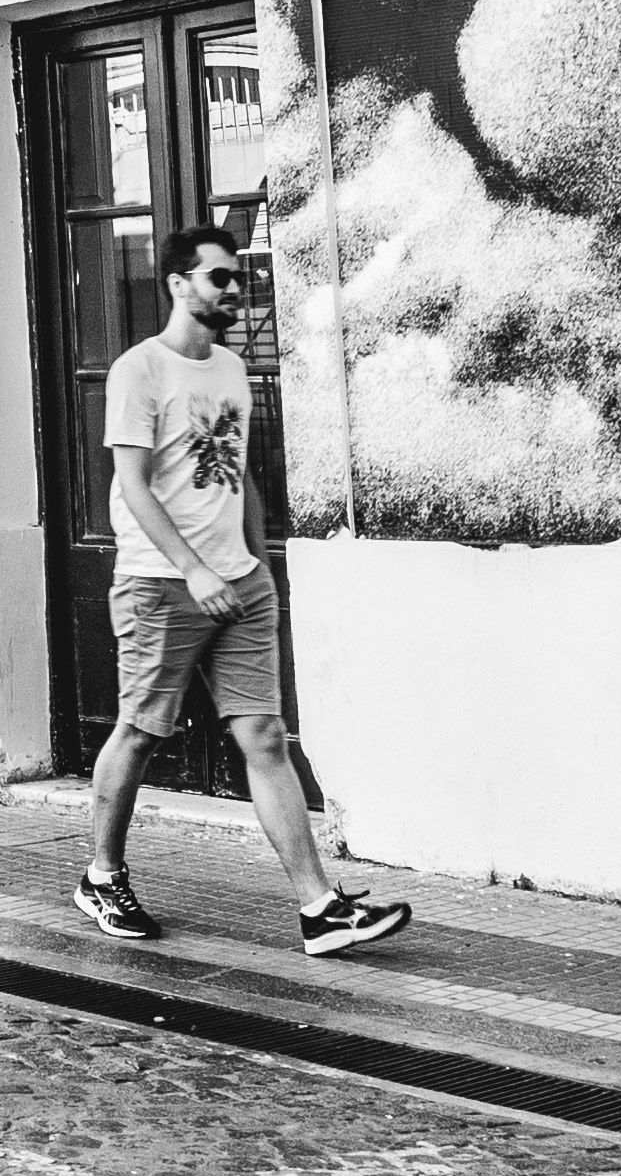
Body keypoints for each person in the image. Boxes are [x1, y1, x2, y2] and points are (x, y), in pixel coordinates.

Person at [74, 229, 411, 960]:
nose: (233, 290)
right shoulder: (141, 370)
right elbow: (131, 487)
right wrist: (195, 568)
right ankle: (102, 876)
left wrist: (260, 568)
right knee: (140, 730)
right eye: (220, 279)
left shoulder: (231, 370)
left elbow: (237, 474)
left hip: (240, 585)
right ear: (177, 283)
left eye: (238, 278)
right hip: (162, 585)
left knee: (262, 735)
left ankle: (319, 908)